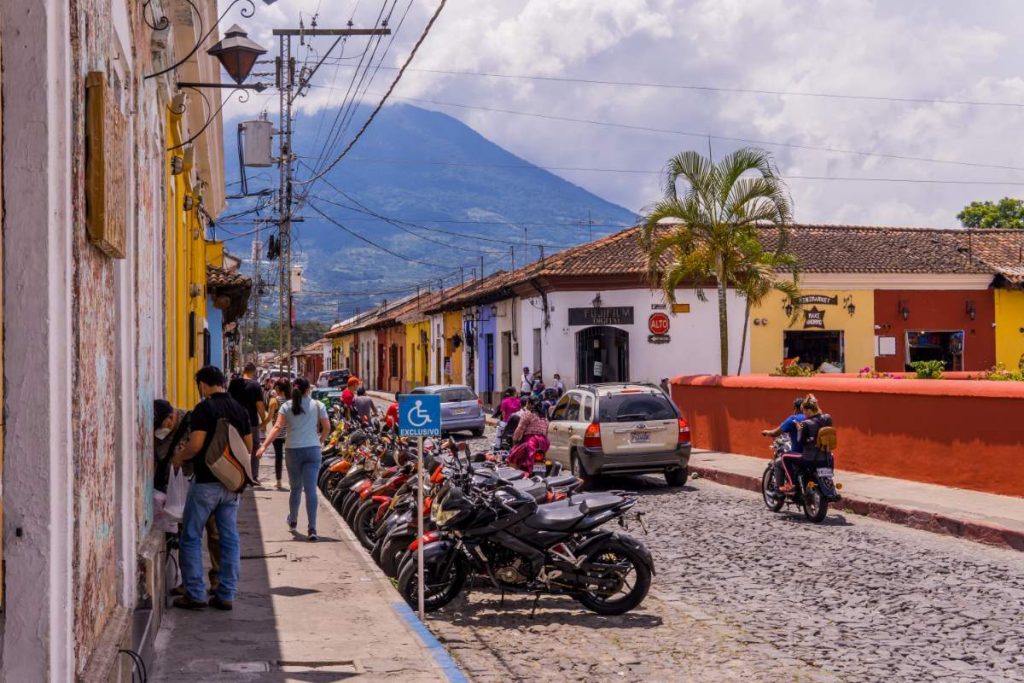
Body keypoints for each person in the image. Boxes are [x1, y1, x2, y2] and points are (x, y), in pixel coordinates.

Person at [171, 366, 252, 611]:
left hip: (206, 482)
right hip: (231, 485)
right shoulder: (239, 409)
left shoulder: (204, 409)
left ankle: (195, 593)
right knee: (229, 538)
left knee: (191, 536)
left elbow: (195, 445)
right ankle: (226, 593)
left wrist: (179, 458)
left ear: (203, 385)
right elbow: (247, 445)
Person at [258, 377, 331, 541]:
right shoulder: (318, 405)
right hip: (313, 450)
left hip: (293, 451)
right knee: (311, 490)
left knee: (296, 488)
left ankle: (293, 521)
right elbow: (326, 427)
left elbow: (277, 428)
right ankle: (312, 528)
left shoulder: (286, 406)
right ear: (308, 390)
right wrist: (320, 440)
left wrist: (264, 446)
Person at [228, 362, 267, 485]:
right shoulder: (255, 385)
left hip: (235, 421)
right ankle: (253, 476)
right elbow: (260, 406)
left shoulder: (234, 383)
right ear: (254, 372)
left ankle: (235, 473)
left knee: (235, 447)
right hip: (252, 422)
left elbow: (228, 400)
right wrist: (264, 421)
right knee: (255, 447)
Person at [762, 397, 807, 494]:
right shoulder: (812, 418)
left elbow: (776, 432)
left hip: (799, 455)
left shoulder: (793, 419)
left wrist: (766, 432)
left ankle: (780, 491)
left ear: (795, 408)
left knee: (779, 462)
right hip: (813, 454)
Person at [508, 397, 550, 473]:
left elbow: (520, 429)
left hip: (531, 441)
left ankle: (513, 476)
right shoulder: (544, 417)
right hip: (544, 442)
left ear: (530, 404)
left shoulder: (527, 414)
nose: (526, 405)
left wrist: (514, 440)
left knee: (512, 456)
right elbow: (546, 432)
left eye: (527, 403)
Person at [266, 380, 291, 490]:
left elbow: (269, 416)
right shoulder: (291, 401)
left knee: (279, 457)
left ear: (278, 389)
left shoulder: (275, 400)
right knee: (290, 458)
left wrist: (261, 425)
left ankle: (279, 481)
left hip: (278, 432)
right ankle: (292, 480)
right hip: (289, 432)